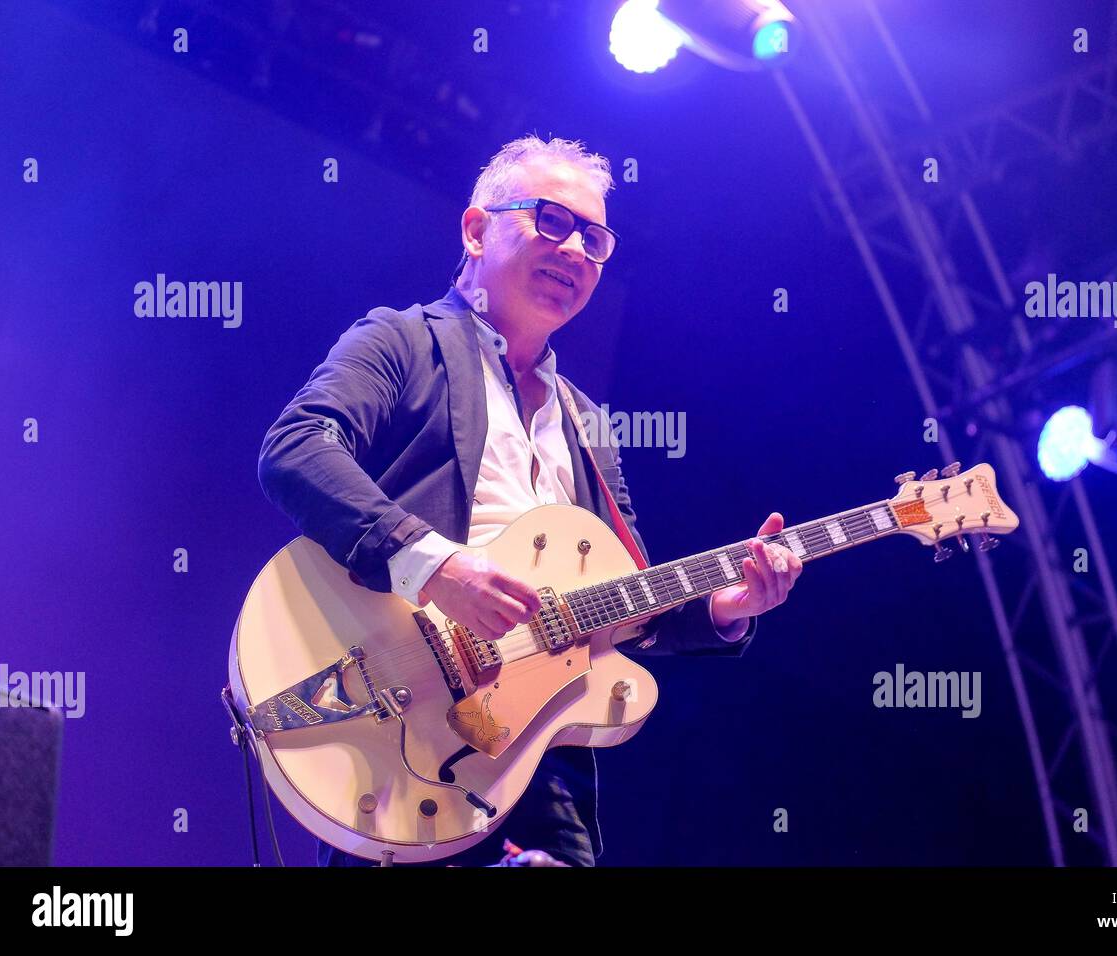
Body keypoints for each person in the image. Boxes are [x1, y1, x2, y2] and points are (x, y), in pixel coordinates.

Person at [257, 135, 803, 867]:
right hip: (411, 732)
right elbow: (298, 449)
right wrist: (438, 569)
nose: (576, 249)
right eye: (551, 221)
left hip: (542, 764)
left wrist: (724, 609)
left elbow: (623, 607)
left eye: (596, 238)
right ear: (476, 229)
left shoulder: (587, 426)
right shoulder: (401, 341)